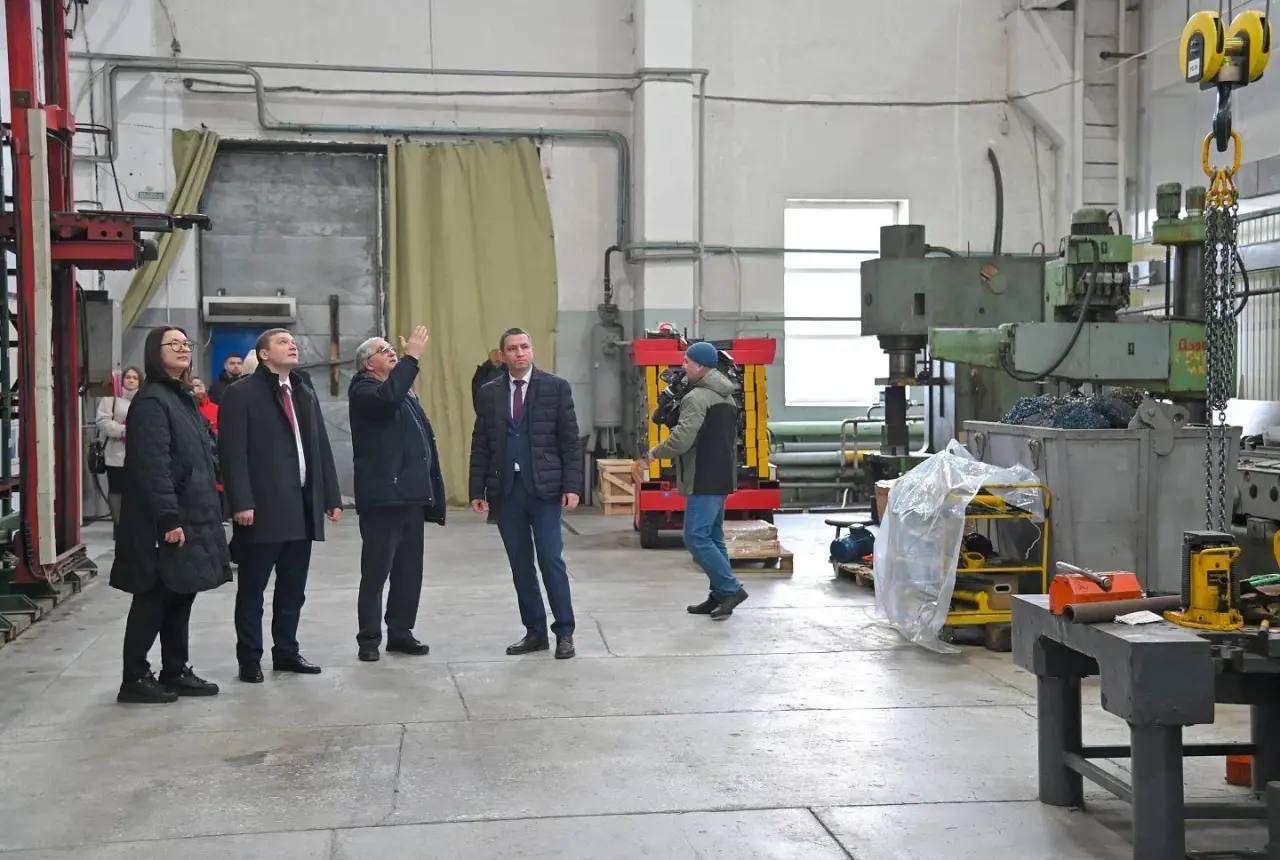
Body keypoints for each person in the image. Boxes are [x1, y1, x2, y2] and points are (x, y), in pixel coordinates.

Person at [110, 327, 230, 704]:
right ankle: (134, 677)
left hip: (192, 512)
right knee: (154, 596)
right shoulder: (152, 401)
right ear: (154, 352)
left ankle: (175, 670)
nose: (182, 349)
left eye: (185, 344)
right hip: (164, 520)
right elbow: (153, 466)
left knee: (181, 593)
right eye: (173, 344)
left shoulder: (182, 398)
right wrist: (168, 519)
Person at [218, 328, 342, 683]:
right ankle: (250, 658)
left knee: (292, 589)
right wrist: (241, 501)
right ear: (263, 354)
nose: (293, 345)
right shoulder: (241, 393)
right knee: (253, 590)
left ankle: (286, 651)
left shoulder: (303, 391)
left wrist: (330, 495)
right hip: (261, 508)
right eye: (283, 342)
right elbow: (232, 452)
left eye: (293, 341)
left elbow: (319, 446)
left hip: (300, 506)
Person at [469, 328, 582, 659]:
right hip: (507, 492)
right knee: (520, 564)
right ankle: (535, 632)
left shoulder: (555, 388)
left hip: (544, 490)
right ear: (502, 355)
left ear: (532, 350)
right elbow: (481, 442)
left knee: (551, 560)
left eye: (524, 347)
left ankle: (564, 632)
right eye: (512, 348)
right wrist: (477, 488)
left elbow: (569, 441)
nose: (519, 353)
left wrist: (572, 486)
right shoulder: (489, 393)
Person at [349, 325, 446, 662]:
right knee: (377, 571)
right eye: (384, 350)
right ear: (368, 364)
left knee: (408, 570)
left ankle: (401, 632)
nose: (392, 352)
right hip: (384, 498)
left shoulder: (403, 393)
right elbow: (386, 400)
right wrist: (412, 358)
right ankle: (369, 639)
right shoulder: (364, 391)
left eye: (393, 348)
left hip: (410, 496)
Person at [638, 341, 749, 620]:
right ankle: (719, 594)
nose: (683, 365)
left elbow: (682, 439)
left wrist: (653, 454)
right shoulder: (725, 395)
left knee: (695, 537)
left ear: (700, 366)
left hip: (703, 475)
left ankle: (731, 588)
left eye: (687, 361)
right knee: (713, 536)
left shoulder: (698, 397)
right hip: (722, 473)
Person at [96, 365, 141, 525]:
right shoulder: (111, 400)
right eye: (128, 377)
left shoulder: (144, 400)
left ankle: (133, 525)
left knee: (136, 491)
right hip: (115, 454)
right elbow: (103, 422)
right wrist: (124, 431)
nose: (131, 380)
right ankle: (118, 525)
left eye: (135, 378)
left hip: (139, 455)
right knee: (116, 490)